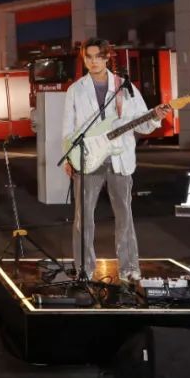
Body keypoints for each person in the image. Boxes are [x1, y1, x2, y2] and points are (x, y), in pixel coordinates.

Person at [61, 38, 171, 283]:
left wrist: (155, 116)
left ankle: (129, 267)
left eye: (98, 56)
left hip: (120, 158)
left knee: (124, 215)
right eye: (88, 57)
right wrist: (69, 157)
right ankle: (84, 268)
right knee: (83, 217)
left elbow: (141, 123)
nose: (93, 62)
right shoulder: (75, 90)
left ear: (107, 57)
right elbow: (68, 128)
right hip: (88, 157)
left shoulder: (125, 87)